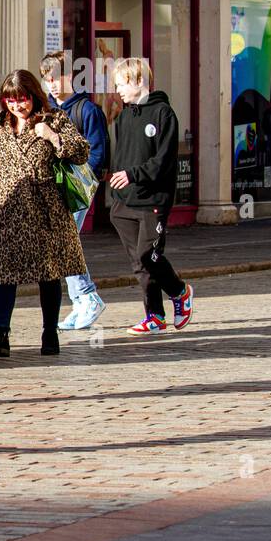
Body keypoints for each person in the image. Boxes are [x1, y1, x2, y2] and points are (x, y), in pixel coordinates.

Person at [0, 70, 91, 357]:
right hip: (6, 212)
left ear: (34, 96)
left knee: (49, 274)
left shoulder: (53, 119)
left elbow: (81, 152)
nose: (17, 105)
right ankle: (0, 333)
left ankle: (49, 332)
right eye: (11, 99)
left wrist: (53, 138)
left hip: (45, 212)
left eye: (23, 99)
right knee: (4, 274)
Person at [108, 57, 193, 335]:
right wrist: (116, 186)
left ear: (138, 80)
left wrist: (133, 174)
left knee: (149, 254)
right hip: (125, 202)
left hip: (153, 200)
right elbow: (120, 157)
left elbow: (164, 160)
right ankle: (154, 316)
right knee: (138, 262)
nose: (118, 90)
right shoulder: (123, 117)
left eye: (121, 84)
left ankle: (179, 292)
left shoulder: (163, 114)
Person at [40, 51, 108, 330]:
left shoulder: (87, 111)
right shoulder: (46, 110)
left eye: (57, 78)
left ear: (70, 76)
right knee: (65, 245)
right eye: (47, 80)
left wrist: (81, 181)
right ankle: (83, 299)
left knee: (63, 244)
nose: (53, 85)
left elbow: (97, 153)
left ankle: (85, 297)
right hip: (50, 189)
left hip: (75, 189)